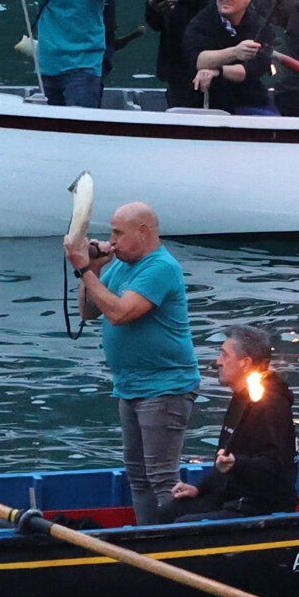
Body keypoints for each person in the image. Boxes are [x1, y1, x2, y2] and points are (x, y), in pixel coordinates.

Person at [64, 201, 200, 525]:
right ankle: (148, 536)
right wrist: (93, 269)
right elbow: (89, 311)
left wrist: (84, 269)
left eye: (118, 233)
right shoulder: (121, 266)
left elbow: (121, 313)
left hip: (165, 386)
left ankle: (176, 541)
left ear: (143, 232)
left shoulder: (160, 267)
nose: (112, 240)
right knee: (138, 476)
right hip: (129, 385)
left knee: (162, 477)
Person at [163, 326, 297, 522]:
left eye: (224, 355)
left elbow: (275, 467)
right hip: (231, 496)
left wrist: (237, 463)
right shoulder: (241, 399)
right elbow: (225, 461)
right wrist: (200, 488)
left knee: (183, 525)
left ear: (245, 363)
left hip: (259, 504)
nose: (218, 362)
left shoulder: (271, 405)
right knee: (170, 511)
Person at [184, 0, 276, 115]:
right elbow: (198, 60)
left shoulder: (261, 26)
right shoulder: (201, 22)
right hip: (204, 102)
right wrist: (235, 52)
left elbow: (251, 70)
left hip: (249, 100)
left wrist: (218, 71)